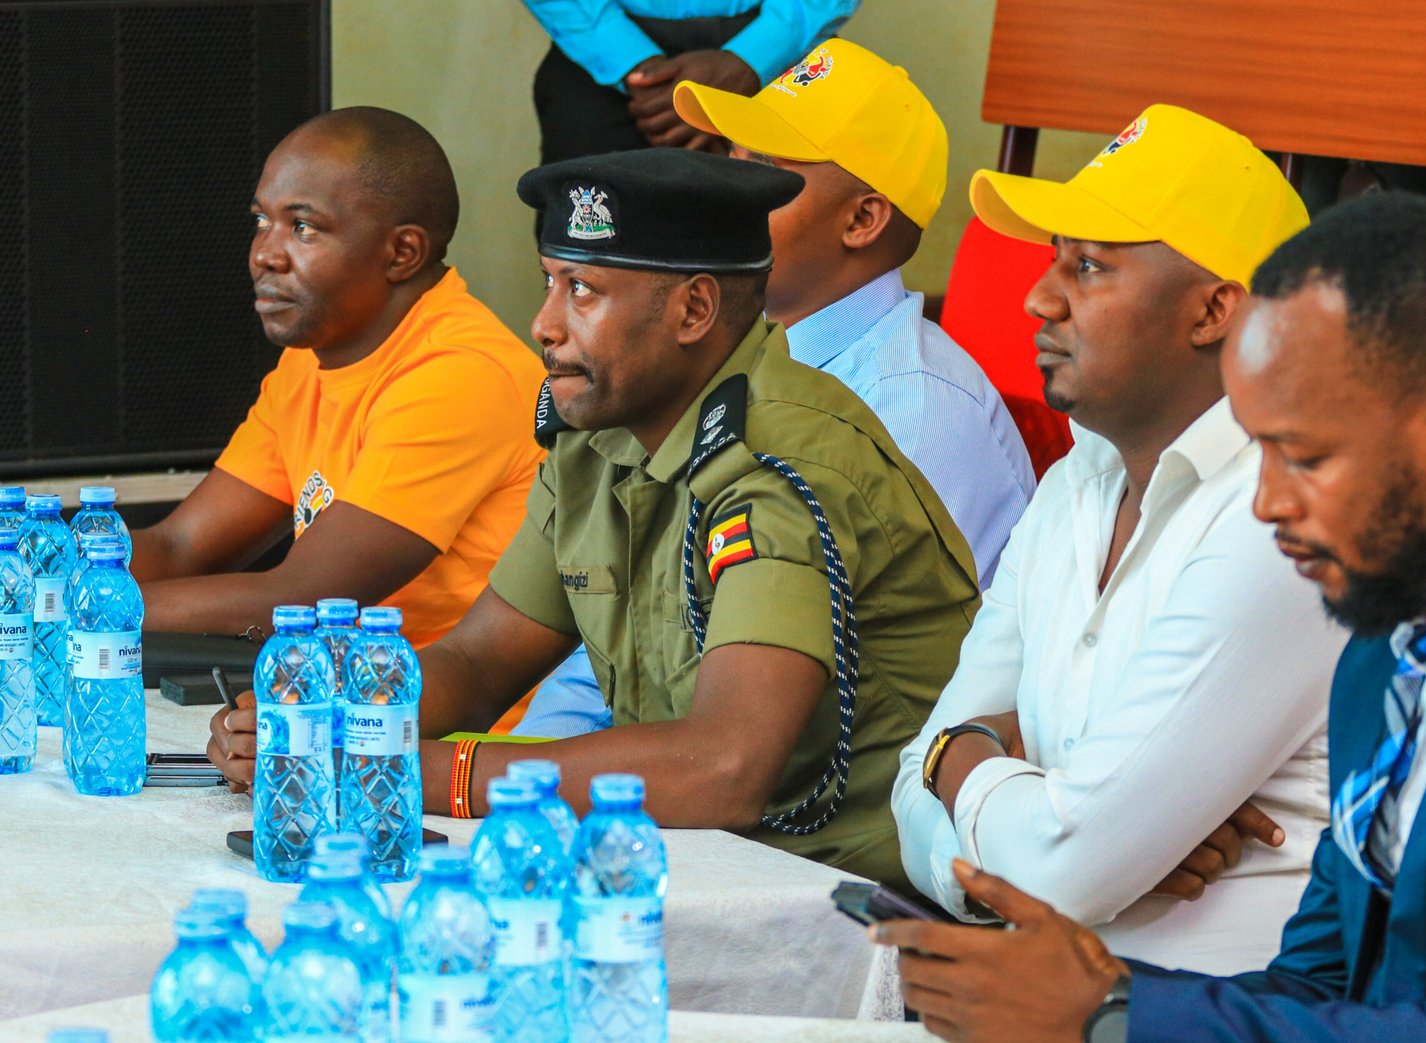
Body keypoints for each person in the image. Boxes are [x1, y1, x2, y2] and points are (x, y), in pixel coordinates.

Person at [874, 192, 1426, 1043]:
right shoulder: (1381, 650)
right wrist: (1080, 993)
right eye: (1258, 451)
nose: (1267, 503)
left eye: (1304, 456)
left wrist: (1112, 1018)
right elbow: (1317, 981)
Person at [208, 147, 981, 894]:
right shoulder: (597, 438)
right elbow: (480, 662)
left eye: (581, 290)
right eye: (551, 282)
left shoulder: (777, 468)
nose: (544, 324)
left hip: (860, 896)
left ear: (694, 309)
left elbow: (724, 768)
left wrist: (422, 770)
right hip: (708, 866)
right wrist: (327, 722)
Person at [891, 104, 1349, 973]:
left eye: (1090, 266)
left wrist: (961, 758)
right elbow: (913, 801)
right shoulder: (1077, 480)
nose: (1039, 296)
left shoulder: (1279, 516)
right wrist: (1040, 827)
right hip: (1043, 995)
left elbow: (1062, 865)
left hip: (1226, 1015)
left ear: (1214, 310)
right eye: (1054, 258)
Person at [515, 38, 1037, 738]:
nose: (726, 191)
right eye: (729, 157)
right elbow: (617, 637)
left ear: (861, 219)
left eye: (762, 170)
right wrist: (524, 767)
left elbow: (777, 714)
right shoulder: (699, 358)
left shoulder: (911, 408)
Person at [130, 107, 544, 648]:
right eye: (261, 221)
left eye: (303, 228)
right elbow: (181, 546)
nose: (265, 254)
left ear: (402, 253)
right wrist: (43, 575)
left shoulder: (459, 374)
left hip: (452, 699)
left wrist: (77, 606)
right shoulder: (315, 354)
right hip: (353, 682)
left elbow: (303, 598)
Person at [523, 0, 857, 164]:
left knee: (786, 251)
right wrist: (631, 61)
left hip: (786, 55)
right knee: (588, 251)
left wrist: (756, 56)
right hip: (598, 58)